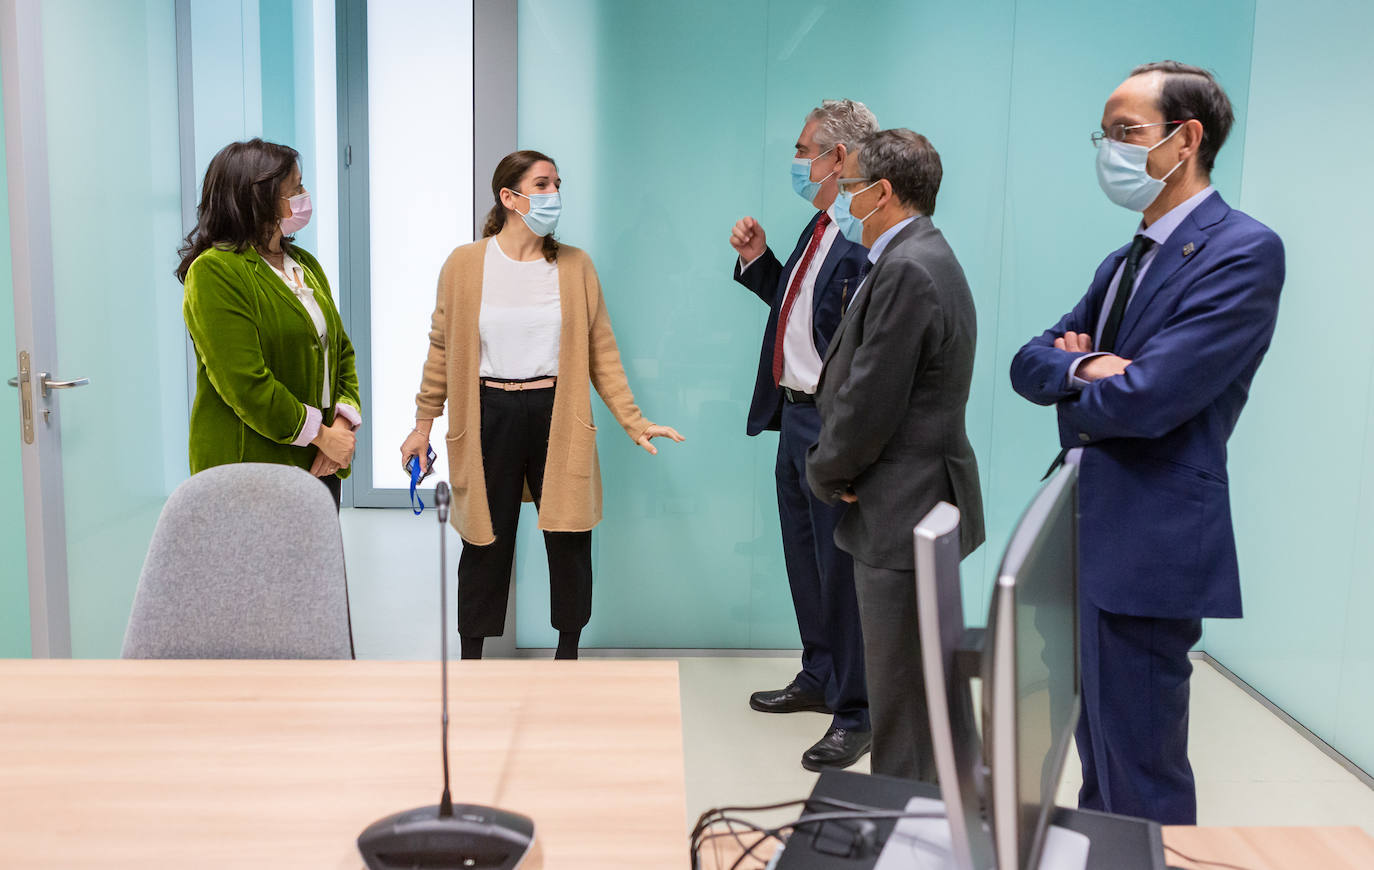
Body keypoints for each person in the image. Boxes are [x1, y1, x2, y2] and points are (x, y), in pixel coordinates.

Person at [1010, 61, 1285, 824]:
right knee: (1098, 751)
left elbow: (1153, 398)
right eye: (1105, 133)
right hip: (1087, 528)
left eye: (1126, 132)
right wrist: (1089, 364)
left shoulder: (1242, 251)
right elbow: (1027, 362)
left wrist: (1078, 374)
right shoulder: (1127, 257)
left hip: (1151, 537)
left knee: (1139, 765)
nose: (1111, 149)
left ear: (1186, 138)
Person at [401, 150, 683, 661]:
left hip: (557, 409)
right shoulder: (465, 265)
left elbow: (602, 351)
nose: (554, 194)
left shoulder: (575, 266)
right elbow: (441, 350)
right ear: (510, 198)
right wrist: (423, 425)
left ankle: (568, 654)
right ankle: (471, 657)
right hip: (489, 413)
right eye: (543, 184)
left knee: (569, 535)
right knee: (484, 540)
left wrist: (632, 421)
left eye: (557, 184)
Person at [806, 129, 985, 782]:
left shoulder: (909, 267)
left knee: (903, 694)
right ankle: (944, 813)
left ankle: (910, 826)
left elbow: (870, 399)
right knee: (922, 683)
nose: (842, 195)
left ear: (882, 192)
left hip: (903, 502)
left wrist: (827, 471)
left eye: (849, 184)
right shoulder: (917, 255)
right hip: (914, 496)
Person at [728, 99, 878, 772]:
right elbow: (801, 312)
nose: (797, 160)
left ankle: (857, 711)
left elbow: (866, 343)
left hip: (831, 420)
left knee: (842, 571)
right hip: (793, 417)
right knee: (804, 561)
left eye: (803, 148)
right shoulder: (819, 226)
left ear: (838, 157)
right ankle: (819, 675)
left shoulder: (868, 235)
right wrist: (762, 262)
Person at [179, 138, 360, 511]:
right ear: (258, 198)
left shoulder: (303, 263)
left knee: (316, 570)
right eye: (296, 188)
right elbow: (246, 384)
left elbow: (340, 350)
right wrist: (320, 435)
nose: (305, 195)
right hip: (250, 469)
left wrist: (340, 426)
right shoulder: (215, 271)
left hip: (319, 462)